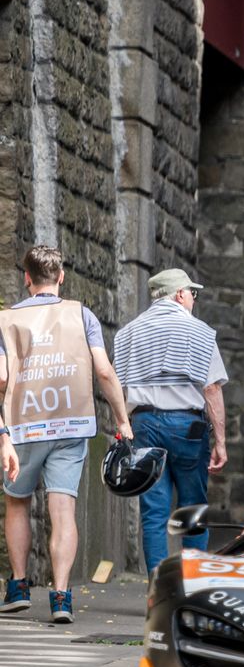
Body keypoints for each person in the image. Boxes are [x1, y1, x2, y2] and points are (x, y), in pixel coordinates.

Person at [0, 246, 135, 623]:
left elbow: (1, 378)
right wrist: (122, 420)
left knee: (18, 502)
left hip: (24, 425)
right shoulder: (82, 315)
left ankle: (19, 588)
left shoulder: (6, 320)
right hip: (70, 424)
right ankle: (61, 597)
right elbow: (105, 372)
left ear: (27, 278)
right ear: (61, 277)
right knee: (63, 508)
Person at [114, 268, 228, 574]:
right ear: (179, 294)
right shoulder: (199, 331)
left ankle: (157, 589)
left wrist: (122, 422)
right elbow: (212, 388)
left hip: (145, 423)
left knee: (153, 512)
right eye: (193, 292)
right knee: (192, 508)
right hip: (187, 426)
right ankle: (190, 585)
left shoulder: (129, 332)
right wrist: (221, 441)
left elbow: (117, 384)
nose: (194, 298)